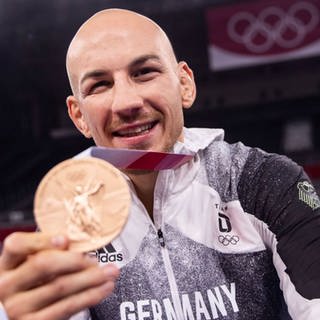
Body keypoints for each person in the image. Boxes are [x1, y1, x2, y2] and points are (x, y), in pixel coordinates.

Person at [0, 7, 320, 320]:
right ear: (79, 116)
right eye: (100, 85)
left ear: (184, 84)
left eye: (144, 73)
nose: (126, 103)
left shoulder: (263, 181)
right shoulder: (70, 221)